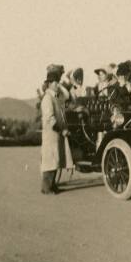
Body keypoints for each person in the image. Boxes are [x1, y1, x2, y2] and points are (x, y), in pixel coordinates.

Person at [40, 64, 74, 194]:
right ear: (48, 84)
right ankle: (46, 188)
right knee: (50, 161)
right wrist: (62, 130)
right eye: (54, 82)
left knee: (56, 160)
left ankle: (52, 185)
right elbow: (50, 118)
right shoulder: (47, 99)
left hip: (56, 134)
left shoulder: (56, 97)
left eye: (57, 82)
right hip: (52, 134)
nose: (56, 84)